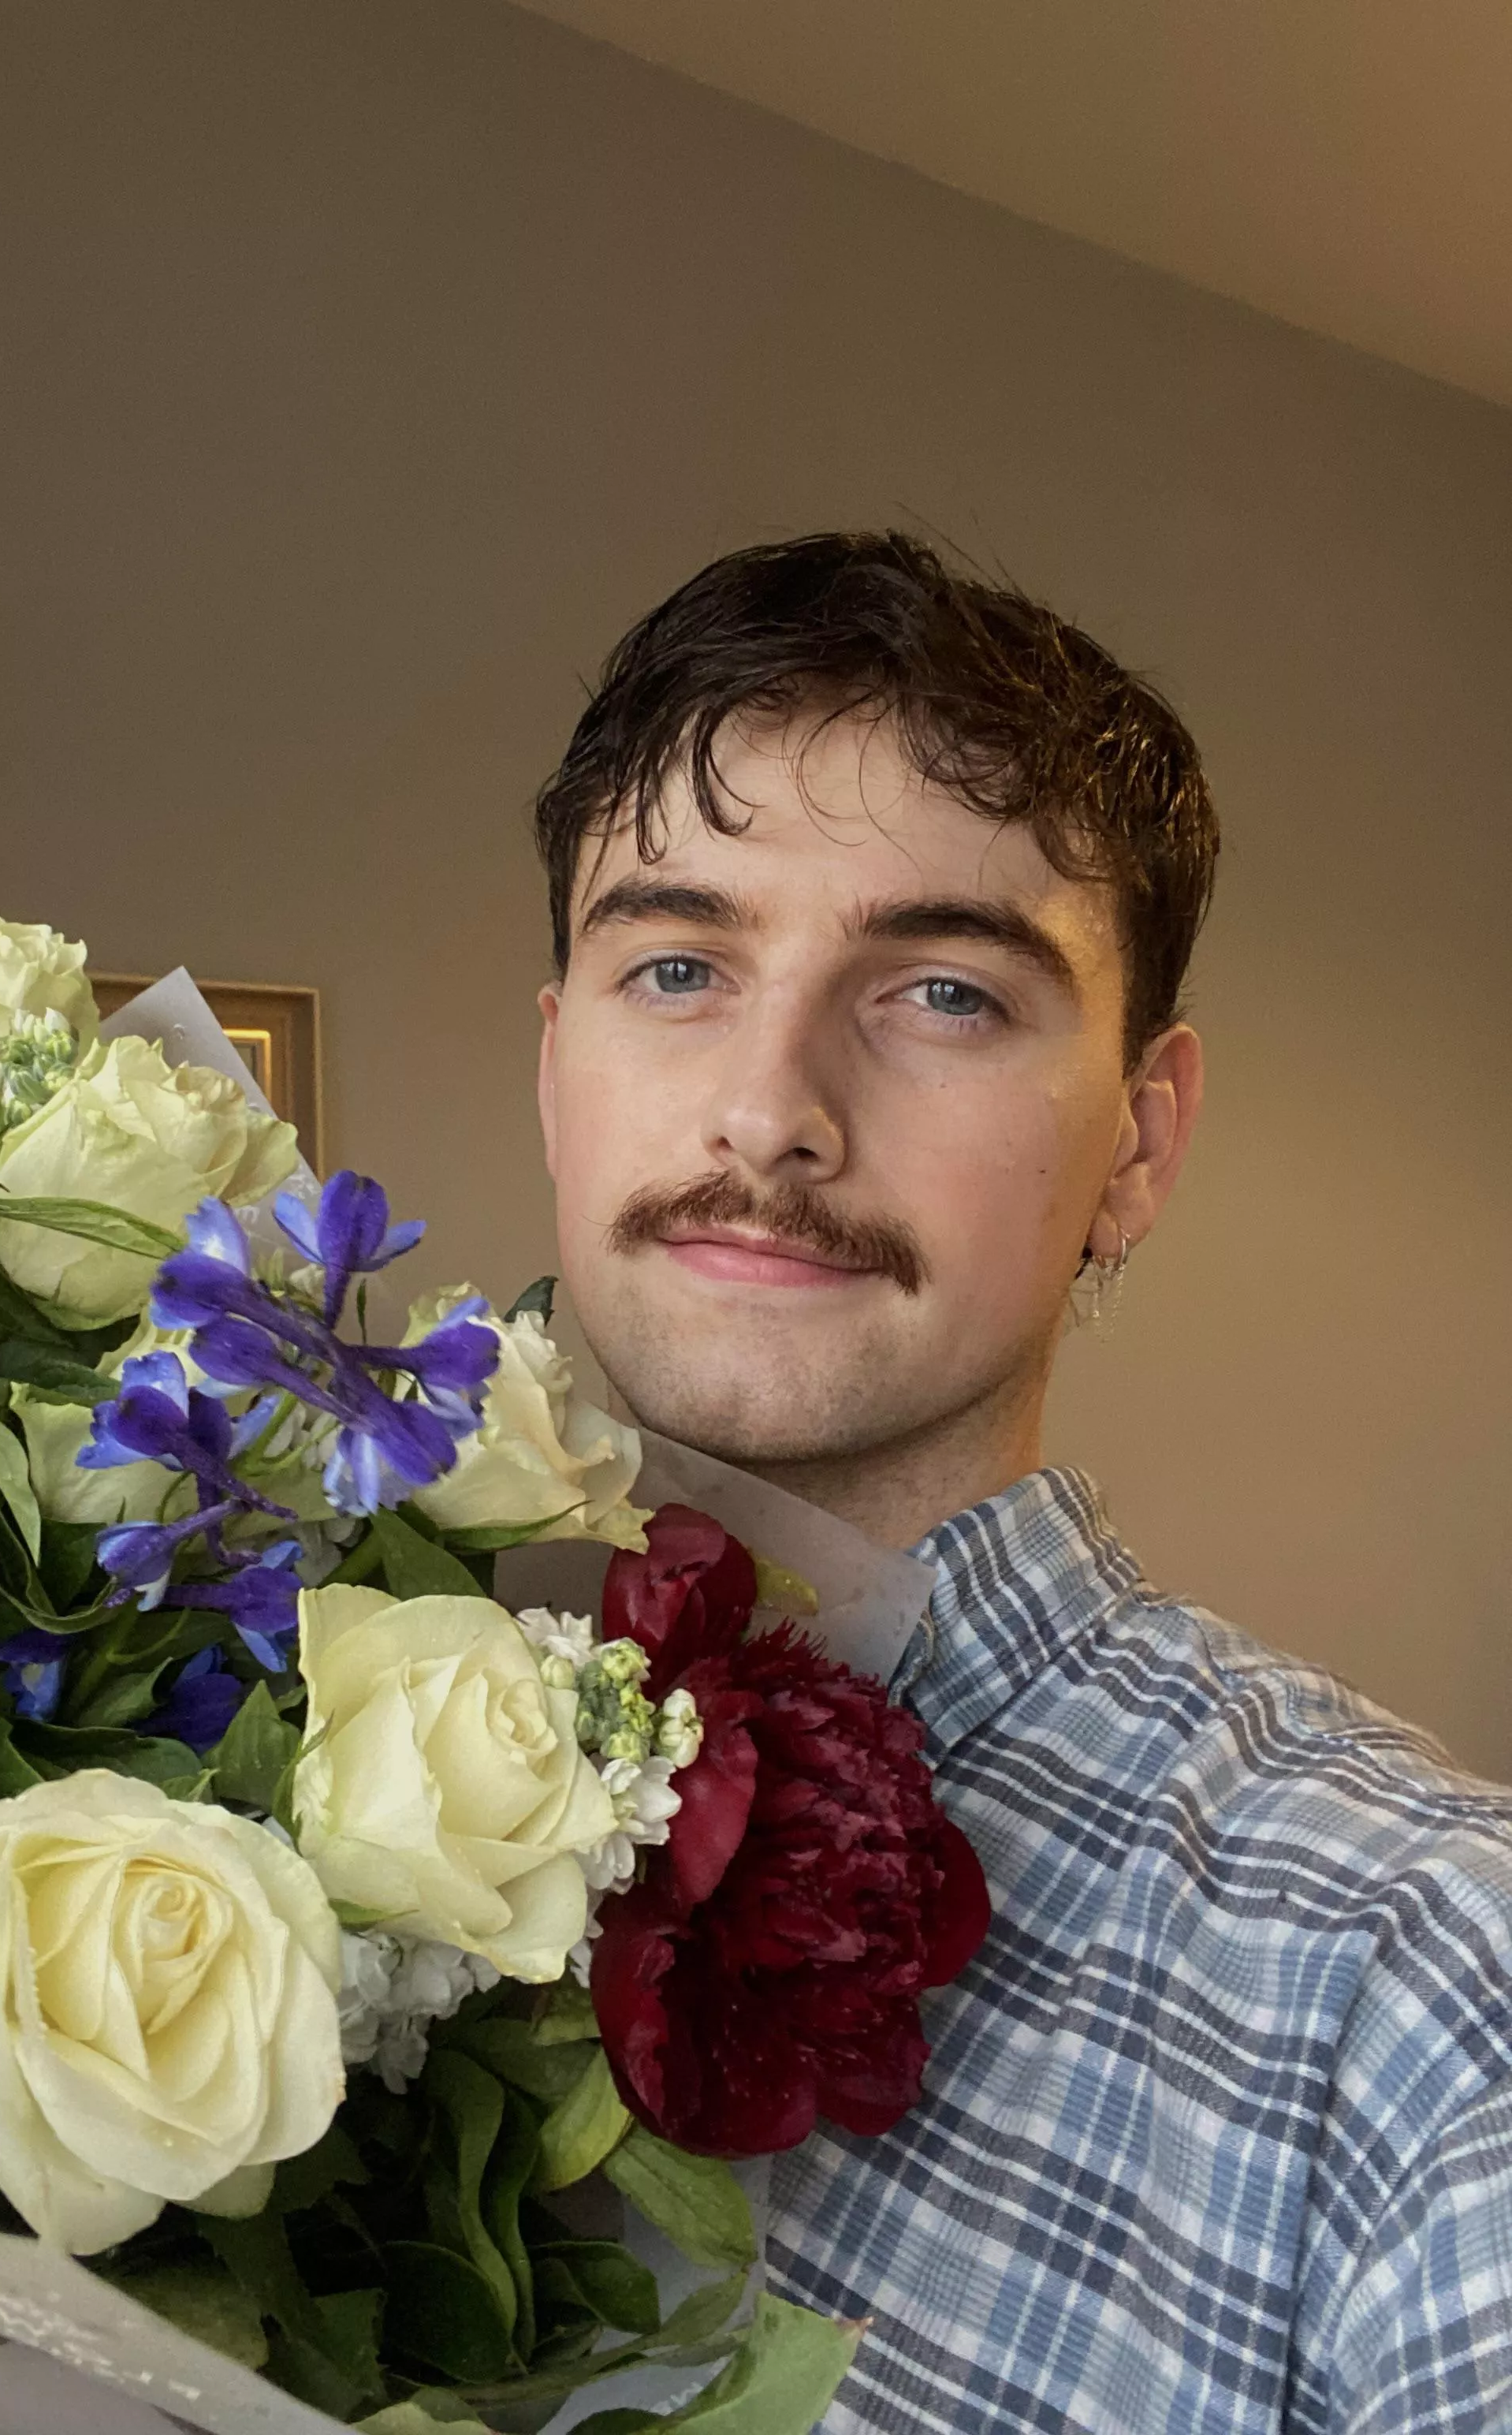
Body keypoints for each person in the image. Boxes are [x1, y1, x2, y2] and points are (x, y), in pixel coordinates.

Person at [530, 530, 1512, 2434]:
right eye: (676, 963)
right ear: (555, 1072)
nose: (770, 1106)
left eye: (945, 995)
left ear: (1138, 1147)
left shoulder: (1433, 1984)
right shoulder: (218, 1696)